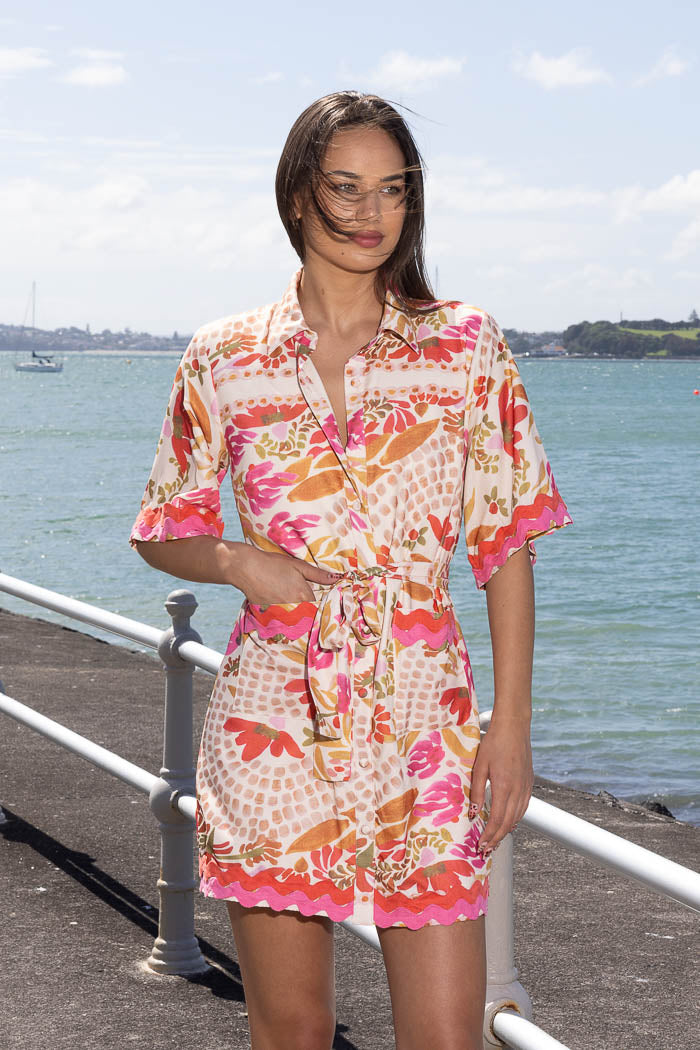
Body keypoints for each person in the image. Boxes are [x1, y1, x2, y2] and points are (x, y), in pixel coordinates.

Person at [130, 91, 571, 1050]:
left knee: (446, 1037)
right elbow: (162, 529)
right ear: (296, 196)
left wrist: (513, 728)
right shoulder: (224, 357)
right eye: (345, 188)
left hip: (428, 716)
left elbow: (504, 543)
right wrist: (241, 561)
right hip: (273, 715)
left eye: (394, 191)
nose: (373, 213)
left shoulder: (466, 347)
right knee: (291, 1030)